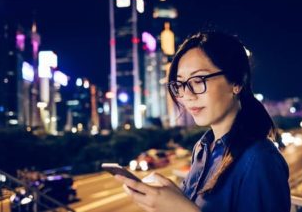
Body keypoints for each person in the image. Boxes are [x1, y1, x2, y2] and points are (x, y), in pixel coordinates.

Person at [115, 31, 291, 212]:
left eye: (198, 80)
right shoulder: (204, 148)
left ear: (236, 82)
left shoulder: (260, 159)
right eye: (180, 85)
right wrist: (173, 196)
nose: (187, 96)